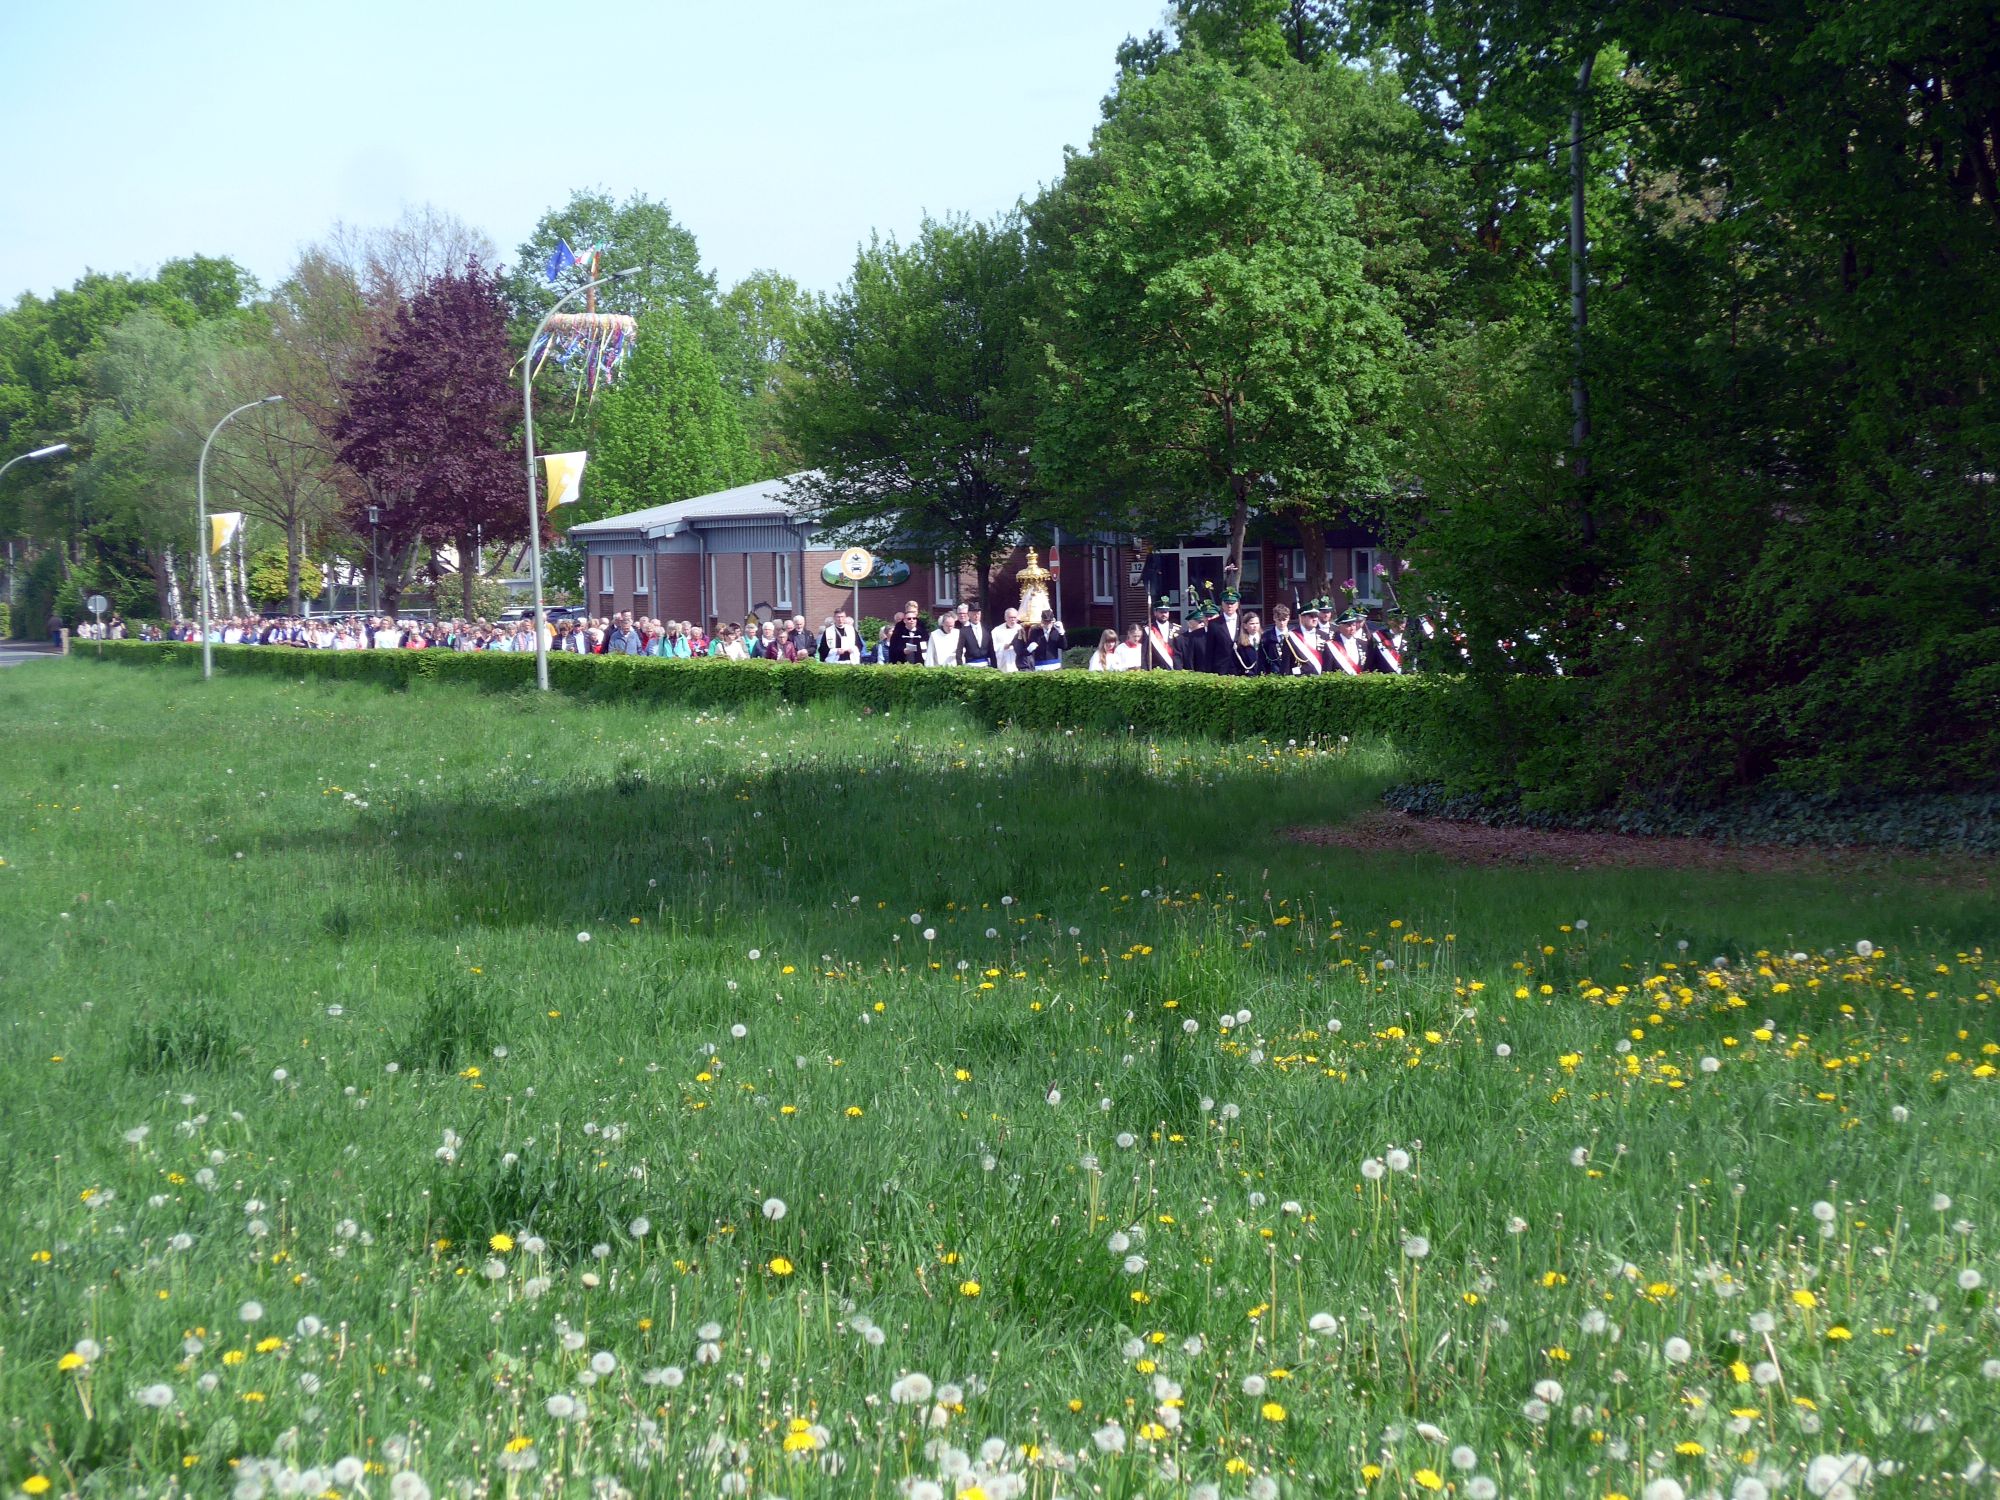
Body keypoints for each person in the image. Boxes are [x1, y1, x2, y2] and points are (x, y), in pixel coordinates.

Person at [1326, 608, 1367, 676]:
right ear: (1340, 627)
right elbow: (1327, 671)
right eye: (1348, 625)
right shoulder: (1331, 645)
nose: (1352, 628)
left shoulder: (1362, 644)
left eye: (1354, 625)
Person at [1140, 598, 1178, 670]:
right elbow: (1144, 653)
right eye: (1161, 612)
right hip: (1156, 670)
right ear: (1155, 613)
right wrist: (1145, 670)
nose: (1164, 614)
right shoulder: (1148, 630)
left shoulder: (1178, 630)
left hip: (1174, 669)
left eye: (1166, 612)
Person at [886, 601, 927, 666]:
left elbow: (926, 643)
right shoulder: (899, 627)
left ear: (917, 612)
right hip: (903, 661)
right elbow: (894, 646)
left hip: (919, 661)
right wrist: (902, 651)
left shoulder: (922, 625)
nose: (912, 619)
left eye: (914, 612)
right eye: (909, 612)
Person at [1230, 611, 1266, 676]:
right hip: (1248, 677)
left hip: (1265, 677)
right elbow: (1235, 664)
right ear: (1245, 626)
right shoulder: (1240, 644)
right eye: (1252, 624)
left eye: (1257, 623)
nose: (1255, 626)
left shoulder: (1265, 639)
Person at [992, 607, 1023, 672]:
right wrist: (1003, 646)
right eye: (1010, 617)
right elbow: (992, 647)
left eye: (1014, 617)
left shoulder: (1021, 629)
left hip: (1017, 662)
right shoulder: (996, 630)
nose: (1013, 619)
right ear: (1005, 618)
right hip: (1004, 662)